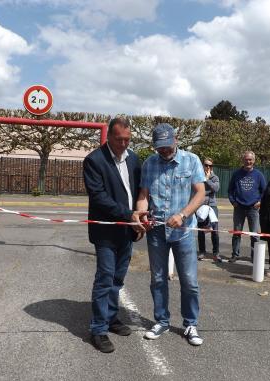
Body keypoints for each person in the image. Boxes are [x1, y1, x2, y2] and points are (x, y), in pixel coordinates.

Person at [136, 123, 206, 346]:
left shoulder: (191, 160)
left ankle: (190, 324)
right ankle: (162, 321)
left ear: (175, 140)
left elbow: (200, 193)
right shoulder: (149, 163)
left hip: (183, 231)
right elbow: (143, 195)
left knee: (190, 281)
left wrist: (183, 215)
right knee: (157, 279)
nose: (164, 151)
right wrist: (141, 212)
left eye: (167, 146)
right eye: (160, 147)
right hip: (156, 231)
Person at [83, 116, 147, 353]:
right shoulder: (94, 161)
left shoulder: (134, 159)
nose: (123, 144)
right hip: (106, 232)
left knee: (118, 278)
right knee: (105, 278)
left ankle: (111, 317)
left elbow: (139, 192)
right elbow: (99, 198)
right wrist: (129, 215)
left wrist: (139, 218)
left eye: (127, 139)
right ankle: (98, 329)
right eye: (119, 139)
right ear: (109, 136)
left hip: (128, 231)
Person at [228, 151, 266, 263]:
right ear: (243, 160)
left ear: (254, 161)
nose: (248, 161)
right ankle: (235, 254)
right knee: (237, 233)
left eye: (250, 159)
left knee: (254, 235)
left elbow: (265, 191)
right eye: (246, 159)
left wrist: (260, 202)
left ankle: (255, 256)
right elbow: (230, 190)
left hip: (253, 209)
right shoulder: (236, 174)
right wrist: (233, 202)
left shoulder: (259, 175)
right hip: (239, 207)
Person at [197, 158, 222, 262]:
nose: (208, 167)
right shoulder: (198, 176)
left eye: (210, 166)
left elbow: (216, 188)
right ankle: (202, 252)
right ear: (202, 165)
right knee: (201, 230)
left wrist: (207, 180)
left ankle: (216, 253)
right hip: (201, 206)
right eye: (206, 165)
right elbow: (198, 190)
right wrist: (207, 189)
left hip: (212, 206)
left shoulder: (214, 177)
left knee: (214, 230)